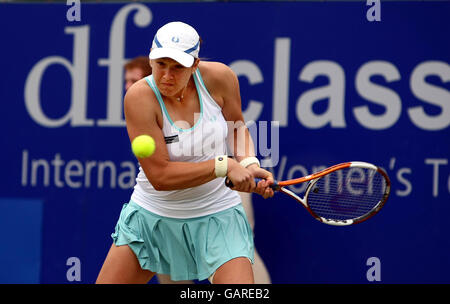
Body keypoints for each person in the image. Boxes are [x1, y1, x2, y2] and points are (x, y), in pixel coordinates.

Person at [96, 21, 274, 284]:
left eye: (178, 66)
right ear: (151, 60)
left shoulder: (220, 78)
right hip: (152, 219)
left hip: (218, 216)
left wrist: (248, 162)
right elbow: (160, 177)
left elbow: (236, 126)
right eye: (161, 65)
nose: (167, 75)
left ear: (194, 64)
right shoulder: (139, 97)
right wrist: (224, 165)